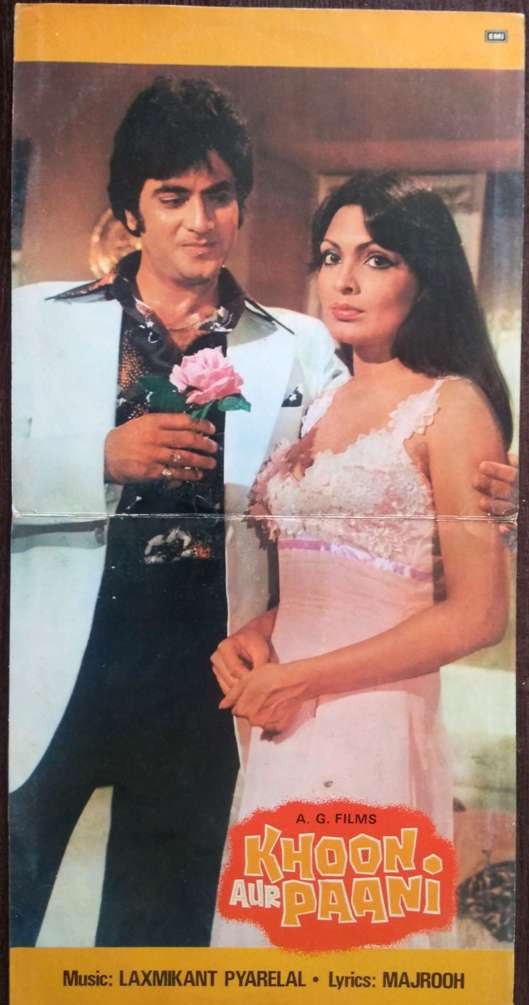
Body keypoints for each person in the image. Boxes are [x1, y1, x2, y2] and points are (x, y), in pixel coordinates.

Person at [9, 77, 349, 947]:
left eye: (219, 195)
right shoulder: (32, 320)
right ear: (131, 211)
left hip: (204, 678)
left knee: (156, 944)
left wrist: (469, 477)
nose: (201, 220)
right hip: (51, 663)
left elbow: (352, 485)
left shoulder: (299, 345)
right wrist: (96, 458)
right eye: (172, 197)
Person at [211, 171, 515, 946]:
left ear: (425, 275)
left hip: (370, 716)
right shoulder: (322, 401)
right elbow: (339, 571)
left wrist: (304, 677)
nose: (343, 281)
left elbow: (478, 614)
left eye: (376, 259)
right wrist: (257, 633)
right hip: (282, 713)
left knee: (347, 953)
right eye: (330, 256)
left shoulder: (451, 407)